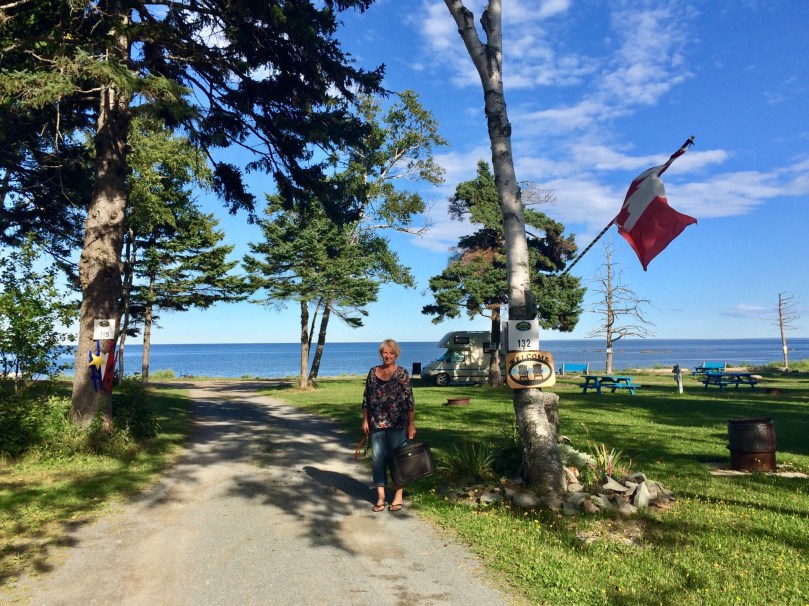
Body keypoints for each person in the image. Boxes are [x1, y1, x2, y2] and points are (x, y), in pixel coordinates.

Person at [361, 339, 416, 512]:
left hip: (398, 423)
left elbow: (409, 401)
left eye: (391, 353)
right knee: (378, 460)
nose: (388, 355)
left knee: (398, 459)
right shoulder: (373, 372)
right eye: (385, 352)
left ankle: (398, 496)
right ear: (381, 354)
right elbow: (366, 399)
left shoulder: (402, 373)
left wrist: (411, 424)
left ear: (396, 355)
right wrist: (365, 420)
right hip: (377, 423)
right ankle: (381, 497)